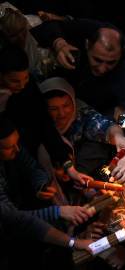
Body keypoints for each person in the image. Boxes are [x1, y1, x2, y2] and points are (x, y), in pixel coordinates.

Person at [31, 19, 125, 171]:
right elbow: (46, 27)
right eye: (97, 60)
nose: (102, 68)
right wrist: (59, 44)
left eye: (110, 63)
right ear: (87, 45)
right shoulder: (84, 30)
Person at [0, 45, 90, 185]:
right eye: (15, 81)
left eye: (25, 78)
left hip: (29, 155)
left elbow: (45, 124)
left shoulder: (28, 88)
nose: (22, 85)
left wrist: (68, 167)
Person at [40, 77, 125, 175]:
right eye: (53, 109)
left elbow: (103, 125)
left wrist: (118, 137)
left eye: (66, 105)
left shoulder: (81, 114)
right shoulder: (36, 124)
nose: (61, 114)